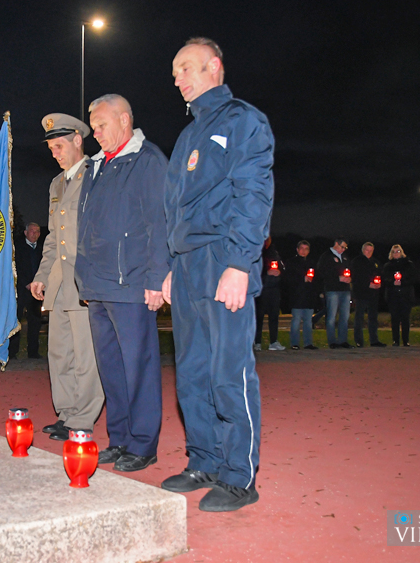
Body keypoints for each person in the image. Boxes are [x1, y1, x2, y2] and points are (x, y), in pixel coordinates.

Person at [161, 38, 273, 512]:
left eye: (186, 67)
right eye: (174, 73)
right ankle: (204, 460)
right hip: (186, 267)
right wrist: (170, 266)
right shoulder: (187, 135)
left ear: (215, 67)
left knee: (229, 370)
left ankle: (239, 477)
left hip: (223, 259)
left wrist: (239, 263)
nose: (179, 79)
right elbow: (174, 207)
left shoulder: (243, 120)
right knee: (191, 372)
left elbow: (253, 195)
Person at [75, 94, 167, 473]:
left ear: (125, 120)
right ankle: (120, 438)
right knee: (111, 367)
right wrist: (83, 277)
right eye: (93, 126)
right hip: (98, 285)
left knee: (138, 366)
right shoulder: (96, 166)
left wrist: (156, 278)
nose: (95, 133)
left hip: (131, 283)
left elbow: (158, 223)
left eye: (101, 125)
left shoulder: (147, 161)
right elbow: (86, 226)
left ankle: (144, 443)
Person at [28, 113, 104, 442]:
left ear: (77, 140)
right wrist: (41, 275)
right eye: (50, 149)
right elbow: (51, 238)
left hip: (85, 280)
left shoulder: (96, 175)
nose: (55, 154)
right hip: (59, 283)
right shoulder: (56, 184)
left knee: (85, 353)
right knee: (59, 352)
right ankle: (67, 413)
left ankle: (83, 417)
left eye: (59, 146)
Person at [9, 222, 44, 360]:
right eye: (32, 231)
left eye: (37, 231)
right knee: (15, 320)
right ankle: (12, 352)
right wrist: (26, 284)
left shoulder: (42, 249)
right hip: (20, 290)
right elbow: (15, 268)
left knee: (35, 322)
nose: (34, 233)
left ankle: (33, 352)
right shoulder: (17, 248)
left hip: (37, 291)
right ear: (25, 233)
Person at [316, 238, 352, 348]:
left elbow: (350, 270)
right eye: (342, 247)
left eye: (345, 248)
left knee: (344, 317)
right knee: (331, 316)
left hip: (345, 290)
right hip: (332, 290)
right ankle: (332, 342)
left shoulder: (345, 257)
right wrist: (337, 278)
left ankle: (343, 341)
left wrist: (349, 278)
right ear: (336, 243)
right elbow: (322, 272)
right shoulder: (326, 256)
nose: (343, 249)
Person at [350, 242, 386, 347]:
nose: (369, 252)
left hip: (373, 294)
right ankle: (359, 340)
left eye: (371, 251)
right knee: (359, 317)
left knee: (373, 317)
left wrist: (379, 283)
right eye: (367, 250)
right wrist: (368, 284)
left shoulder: (375, 262)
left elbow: (380, 274)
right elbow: (356, 277)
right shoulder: (356, 261)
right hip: (361, 293)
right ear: (362, 250)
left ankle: (374, 340)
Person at [285, 240, 319, 350]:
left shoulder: (312, 263)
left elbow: (317, 278)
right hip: (297, 296)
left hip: (309, 296)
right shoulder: (291, 262)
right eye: (302, 248)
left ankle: (308, 343)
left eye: (306, 249)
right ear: (297, 249)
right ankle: (294, 343)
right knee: (296, 320)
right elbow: (288, 279)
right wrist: (302, 279)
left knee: (308, 321)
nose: (303, 251)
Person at [254, 238, 284, 351]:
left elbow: (283, 267)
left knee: (274, 316)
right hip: (262, 289)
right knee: (259, 317)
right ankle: (257, 342)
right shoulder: (257, 251)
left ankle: (273, 342)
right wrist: (266, 273)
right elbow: (254, 270)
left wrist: (279, 272)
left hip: (275, 289)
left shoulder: (274, 252)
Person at [382, 245, 415, 346]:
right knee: (395, 318)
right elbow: (384, 279)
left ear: (402, 252)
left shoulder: (408, 264)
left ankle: (406, 340)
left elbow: (413, 278)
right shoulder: (388, 266)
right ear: (391, 254)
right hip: (393, 295)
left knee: (405, 318)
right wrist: (392, 282)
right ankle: (395, 340)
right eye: (394, 252)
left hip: (405, 295)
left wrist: (403, 282)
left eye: (398, 251)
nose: (396, 253)